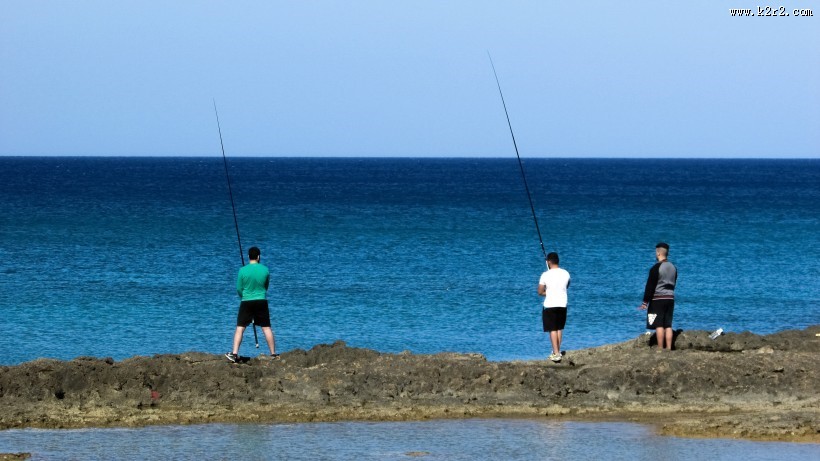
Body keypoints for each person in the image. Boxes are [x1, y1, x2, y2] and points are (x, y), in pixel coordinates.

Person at [226, 246, 278, 362]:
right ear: (259, 257)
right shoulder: (265, 270)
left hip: (246, 301)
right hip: (261, 300)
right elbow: (266, 286)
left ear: (249, 257)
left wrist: (243, 296)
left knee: (240, 328)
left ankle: (234, 354)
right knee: (266, 327)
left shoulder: (242, 270)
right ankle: (273, 354)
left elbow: (239, 288)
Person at [638, 242, 678, 351]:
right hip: (670, 299)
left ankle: (660, 348)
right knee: (668, 325)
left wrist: (645, 302)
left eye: (656, 253)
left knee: (659, 325)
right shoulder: (673, 267)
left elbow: (650, 286)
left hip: (658, 300)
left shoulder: (656, 268)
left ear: (658, 253)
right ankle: (669, 348)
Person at [538, 252, 571, 363]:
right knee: (559, 328)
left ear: (548, 262)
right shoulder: (566, 273)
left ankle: (556, 354)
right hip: (562, 304)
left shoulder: (545, 275)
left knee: (552, 329)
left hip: (550, 305)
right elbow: (566, 286)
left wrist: (548, 292)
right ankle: (556, 351)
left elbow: (540, 291)